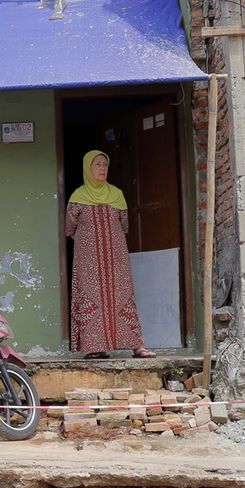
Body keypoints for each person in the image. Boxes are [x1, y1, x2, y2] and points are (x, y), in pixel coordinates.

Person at [65, 150, 155, 359]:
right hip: (88, 257)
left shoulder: (117, 194)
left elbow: (124, 225)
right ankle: (96, 347)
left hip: (116, 255)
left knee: (122, 296)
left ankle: (137, 346)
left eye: (105, 165)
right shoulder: (78, 196)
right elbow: (70, 228)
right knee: (92, 297)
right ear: (88, 168)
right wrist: (89, 243)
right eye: (97, 164)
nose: (102, 168)